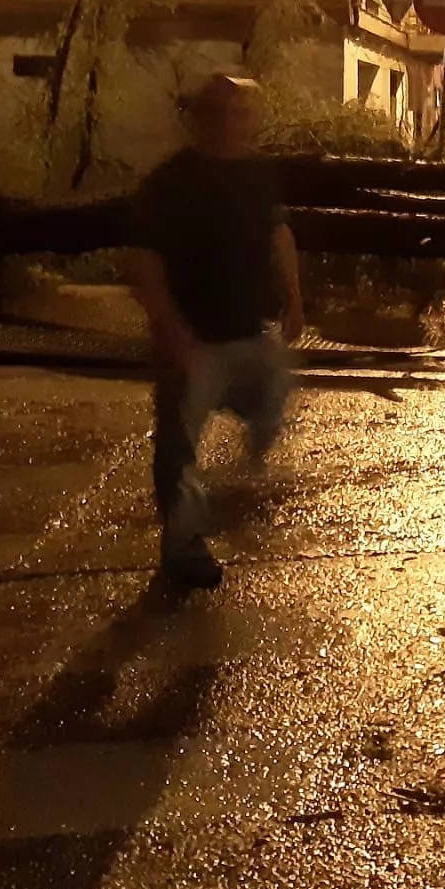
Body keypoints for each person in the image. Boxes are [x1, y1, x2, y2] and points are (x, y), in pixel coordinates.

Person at [129, 74, 303, 589]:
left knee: (273, 394)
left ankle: (242, 477)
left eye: (239, 114)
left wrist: (294, 298)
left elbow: (279, 232)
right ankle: (184, 547)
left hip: (250, 331)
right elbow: (142, 256)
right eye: (219, 114)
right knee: (178, 447)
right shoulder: (170, 182)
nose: (231, 124)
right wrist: (167, 325)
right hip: (194, 338)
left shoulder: (257, 176)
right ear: (199, 121)